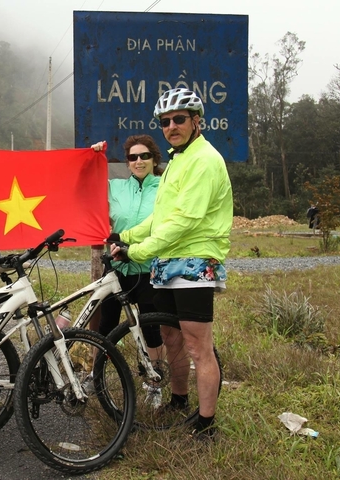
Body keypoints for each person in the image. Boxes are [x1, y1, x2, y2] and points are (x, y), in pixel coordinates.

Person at [110, 88, 233, 440]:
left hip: (193, 262)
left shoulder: (205, 160)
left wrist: (138, 252)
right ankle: (179, 400)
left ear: (196, 121)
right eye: (165, 121)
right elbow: (161, 219)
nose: (172, 126)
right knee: (170, 336)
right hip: (168, 262)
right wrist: (127, 237)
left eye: (179, 119)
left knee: (198, 346)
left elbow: (184, 222)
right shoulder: (179, 161)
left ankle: (206, 423)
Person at [91, 135, 165, 407]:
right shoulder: (116, 187)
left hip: (150, 267)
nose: (138, 161)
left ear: (155, 159)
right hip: (117, 268)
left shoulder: (165, 187)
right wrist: (93, 156)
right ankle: (95, 375)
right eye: (132, 157)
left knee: (151, 329)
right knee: (105, 326)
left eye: (144, 156)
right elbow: (86, 185)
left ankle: (152, 381)